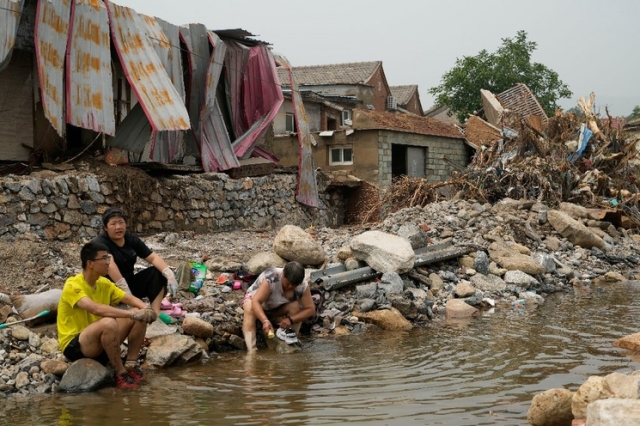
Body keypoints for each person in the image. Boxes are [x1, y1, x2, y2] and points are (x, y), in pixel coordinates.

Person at [57, 241, 158, 389]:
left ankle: (130, 364)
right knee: (110, 322)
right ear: (90, 263)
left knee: (140, 315)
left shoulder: (104, 283)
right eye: (104, 258)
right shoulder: (73, 284)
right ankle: (120, 373)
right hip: (77, 346)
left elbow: (128, 298)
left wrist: (146, 309)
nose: (108, 263)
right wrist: (130, 314)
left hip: (101, 342)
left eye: (108, 258)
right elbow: (95, 308)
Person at [92, 208, 178, 316]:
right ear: (105, 228)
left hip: (130, 284)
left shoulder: (131, 240)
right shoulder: (100, 243)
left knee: (157, 273)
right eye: (113, 224)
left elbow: (152, 257)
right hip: (109, 288)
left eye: (121, 222)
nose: (118, 227)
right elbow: (110, 264)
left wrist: (169, 275)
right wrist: (126, 293)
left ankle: (155, 314)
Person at [242, 261, 316, 352]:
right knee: (249, 307)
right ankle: (251, 350)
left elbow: (310, 309)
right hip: (258, 305)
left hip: (276, 308)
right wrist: (264, 320)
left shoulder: (303, 285)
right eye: (288, 283)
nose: (290, 286)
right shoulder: (271, 278)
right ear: (283, 274)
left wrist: (291, 320)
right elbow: (256, 301)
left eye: (294, 285)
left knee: (295, 306)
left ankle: (290, 340)